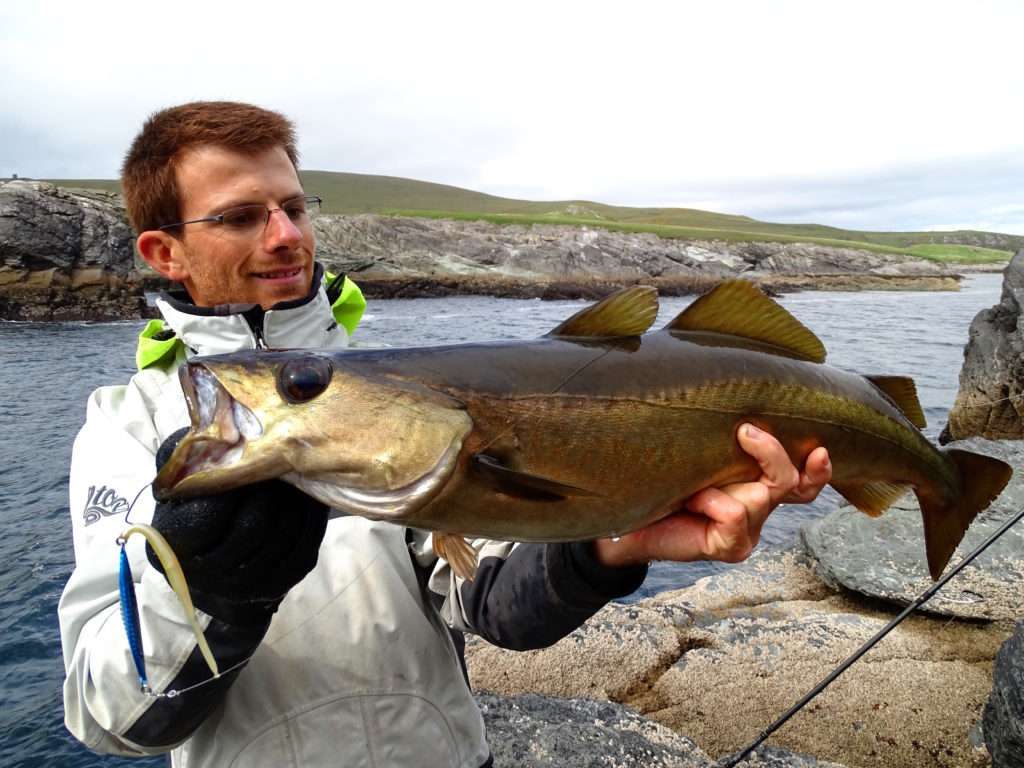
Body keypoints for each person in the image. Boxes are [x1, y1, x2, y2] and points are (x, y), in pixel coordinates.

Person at [58, 101, 832, 768]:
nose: (286, 235)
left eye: (295, 207)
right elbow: (108, 719)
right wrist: (219, 602)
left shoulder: (401, 399)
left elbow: (491, 605)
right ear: (164, 251)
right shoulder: (124, 427)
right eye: (239, 217)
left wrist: (612, 542)